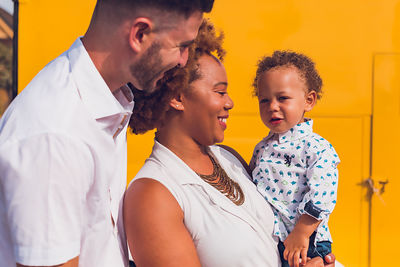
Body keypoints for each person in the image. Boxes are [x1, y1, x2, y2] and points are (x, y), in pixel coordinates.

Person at [0, 1, 214, 266]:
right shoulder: (55, 133)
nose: (184, 61)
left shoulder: (107, 102)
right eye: (181, 46)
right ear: (140, 35)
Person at [124, 20, 336, 267]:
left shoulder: (229, 158)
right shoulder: (152, 194)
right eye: (220, 91)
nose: (231, 102)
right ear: (178, 97)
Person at [249, 51, 340, 267]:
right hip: (274, 239)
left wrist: (301, 232)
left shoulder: (316, 147)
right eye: (264, 100)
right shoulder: (262, 148)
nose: (272, 106)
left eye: (282, 98)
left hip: (305, 240)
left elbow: (323, 194)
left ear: (309, 100)